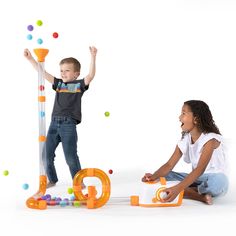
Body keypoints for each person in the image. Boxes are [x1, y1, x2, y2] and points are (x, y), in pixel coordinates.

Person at [24, 46, 97, 188]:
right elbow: (42, 72)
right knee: (46, 155)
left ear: (76, 74)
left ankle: (78, 182)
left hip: (68, 125)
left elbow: (90, 76)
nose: (63, 73)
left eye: (67, 71)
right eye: (61, 71)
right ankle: (52, 180)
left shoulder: (79, 85)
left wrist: (93, 57)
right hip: (54, 123)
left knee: (70, 157)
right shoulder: (58, 84)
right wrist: (30, 59)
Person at [142, 100, 228, 205]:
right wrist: (153, 177)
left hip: (211, 177)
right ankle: (196, 193)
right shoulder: (186, 138)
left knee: (219, 182)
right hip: (195, 178)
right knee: (163, 176)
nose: (179, 118)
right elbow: (169, 164)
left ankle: (187, 190)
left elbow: (200, 169)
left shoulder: (210, 139)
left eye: (183, 113)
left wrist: (178, 188)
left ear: (196, 119)